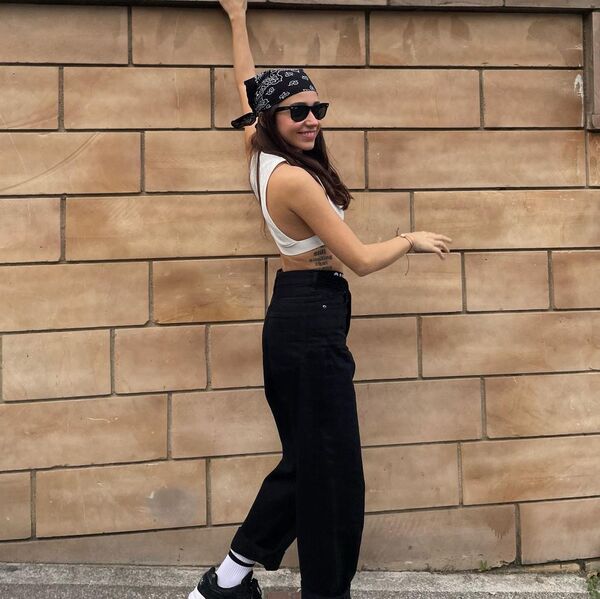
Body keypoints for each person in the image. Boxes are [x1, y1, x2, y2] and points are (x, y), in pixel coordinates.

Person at [188, 2, 453, 598]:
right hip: (312, 315)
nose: (311, 120)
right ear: (273, 118)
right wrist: (408, 239)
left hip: (299, 313)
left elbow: (246, 85)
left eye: (317, 109)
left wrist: (237, 19)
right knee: (329, 470)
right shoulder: (295, 179)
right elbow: (359, 259)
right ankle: (254, 584)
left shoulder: (259, 151)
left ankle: (228, 582)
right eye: (298, 112)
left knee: (312, 462)